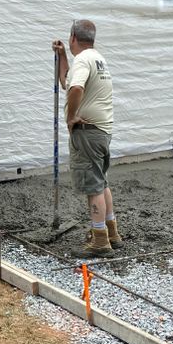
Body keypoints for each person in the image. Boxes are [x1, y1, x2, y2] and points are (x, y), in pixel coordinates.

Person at [53, 19, 121, 258]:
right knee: (101, 182)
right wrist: (62, 56)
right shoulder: (97, 58)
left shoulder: (83, 60)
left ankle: (100, 240)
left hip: (88, 132)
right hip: (102, 130)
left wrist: (71, 117)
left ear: (73, 37)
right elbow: (67, 82)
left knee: (93, 187)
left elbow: (75, 88)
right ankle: (111, 232)